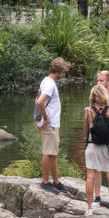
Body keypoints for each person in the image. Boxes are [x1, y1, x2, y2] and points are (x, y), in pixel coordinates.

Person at [82, 84, 109, 216]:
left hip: (92, 145)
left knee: (90, 176)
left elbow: (85, 131)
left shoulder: (87, 111)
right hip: (107, 146)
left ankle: (89, 208)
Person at [35, 57, 68, 192]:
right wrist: (45, 118)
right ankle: (45, 182)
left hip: (53, 123)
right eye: (64, 72)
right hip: (50, 124)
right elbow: (40, 102)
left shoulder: (47, 81)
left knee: (53, 153)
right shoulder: (49, 84)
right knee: (48, 153)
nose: (64, 75)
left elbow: (36, 99)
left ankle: (56, 181)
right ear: (58, 71)